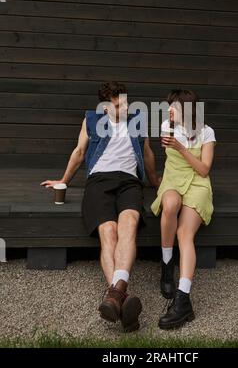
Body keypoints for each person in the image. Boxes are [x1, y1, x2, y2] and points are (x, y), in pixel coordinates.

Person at [41, 81, 160, 332]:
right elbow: (79, 152)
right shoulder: (91, 120)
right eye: (119, 105)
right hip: (98, 182)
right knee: (109, 232)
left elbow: (147, 152)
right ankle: (122, 298)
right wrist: (63, 181)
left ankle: (114, 297)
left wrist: (155, 181)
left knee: (128, 225)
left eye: (126, 102)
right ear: (105, 107)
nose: (125, 107)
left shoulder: (138, 119)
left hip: (129, 182)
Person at [151, 89, 217, 330]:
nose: (169, 110)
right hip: (173, 179)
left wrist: (181, 147)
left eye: (175, 107)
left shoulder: (207, 132)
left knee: (184, 234)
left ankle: (183, 299)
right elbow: (170, 158)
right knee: (170, 204)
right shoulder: (167, 125)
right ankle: (167, 263)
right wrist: (174, 143)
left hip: (198, 184)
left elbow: (204, 170)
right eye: (169, 106)